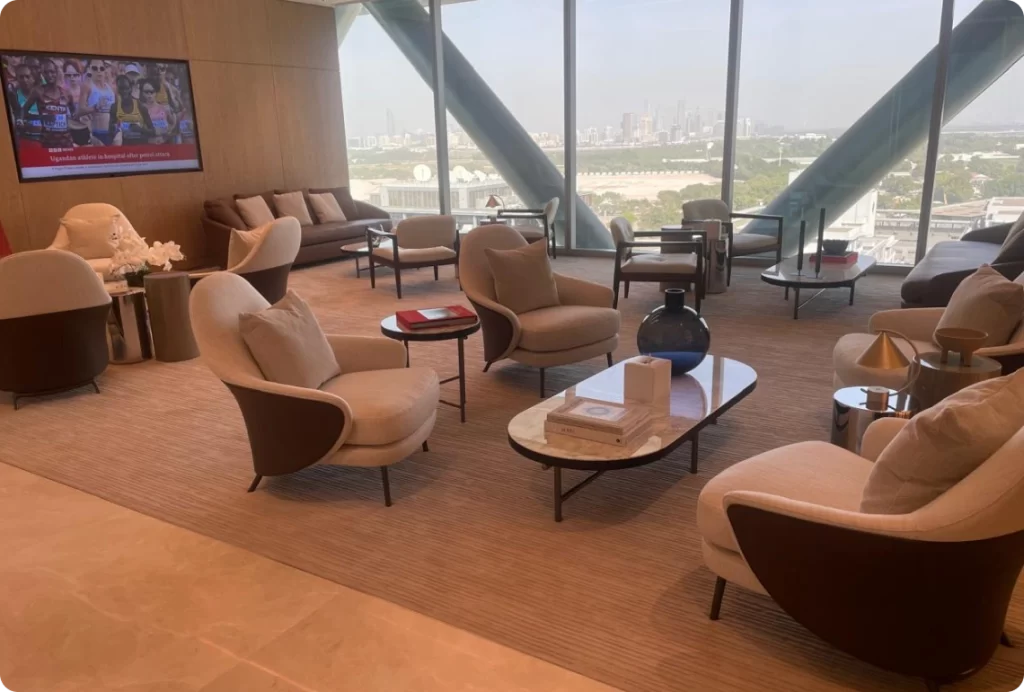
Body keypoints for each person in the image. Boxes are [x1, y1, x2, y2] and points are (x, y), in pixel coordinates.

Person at [21, 80, 74, 149]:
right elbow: (24, 110)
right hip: (47, 141)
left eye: (53, 73)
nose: (50, 75)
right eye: (47, 73)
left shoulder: (66, 92)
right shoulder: (38, 92)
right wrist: (40, 118)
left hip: (66, 142)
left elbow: (73, 112)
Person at [109, 74, 153, 145]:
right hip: (123, 147)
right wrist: (117, 128)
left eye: (126, 88)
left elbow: (153, 131)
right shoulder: (114, 107)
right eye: (121, 88)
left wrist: (140, 130)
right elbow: (110, 132)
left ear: (130, 88)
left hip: (139, 146)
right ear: (117, 89)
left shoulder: (140, 106)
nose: (124, 91)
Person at [79, 59, 115, 145]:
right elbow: (79, 111)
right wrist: (95, 107)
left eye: (101, 68)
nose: (99, 71)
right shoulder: (87, 87)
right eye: (95, 68)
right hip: (97, 133)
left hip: (113, 132)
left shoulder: (112, 87)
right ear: (89, 69)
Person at [9, 64, 41, 142]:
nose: (25, 80)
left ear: (33, 78)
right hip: (23, 138)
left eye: (27, 76)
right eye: (21, 77)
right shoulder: (13, 97)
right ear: (17, 79)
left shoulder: (42, 94)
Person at [139, 78, 174, 143]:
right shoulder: (140, 109)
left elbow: (172, 124)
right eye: (146, 92)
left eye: (152, 91)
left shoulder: (165, 108)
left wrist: (167, 132)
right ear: (142, 93)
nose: (149, 95)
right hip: (148, 145)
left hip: (165, 143)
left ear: (156, 92)